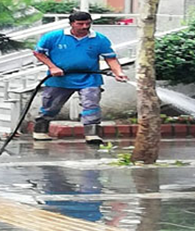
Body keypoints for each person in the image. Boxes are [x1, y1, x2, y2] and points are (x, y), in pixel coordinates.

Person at [32, 11, 128, 144]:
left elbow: (110, 58)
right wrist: (52, 67)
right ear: (71, 24)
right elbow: (38, 53)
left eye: (87, 24)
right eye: (80, 24)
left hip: (89, 77)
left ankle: (92, 134)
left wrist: (118, 72)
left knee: (91, 104)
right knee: (51, 105)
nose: (84, 27)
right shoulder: (54, 37)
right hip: (60, 78)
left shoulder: (99, 39)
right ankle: (40, 131)